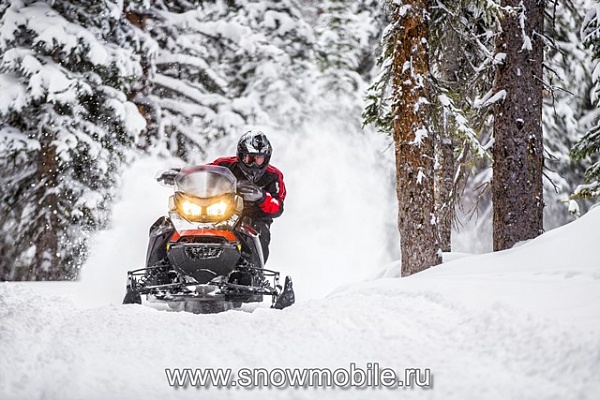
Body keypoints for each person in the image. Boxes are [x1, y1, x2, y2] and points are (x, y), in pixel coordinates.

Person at [209, 130, 286, 265]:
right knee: (170, 222)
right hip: (220, 211)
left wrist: (262, 197)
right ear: (241, 156)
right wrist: (180, 174)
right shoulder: (225, 165)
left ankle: (254, 271)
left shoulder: (273, 176)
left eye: (259, 159)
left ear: (266, 158)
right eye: (250, 159)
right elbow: (203, 173)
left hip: (254, 218)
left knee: (259, 232)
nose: (254, 164)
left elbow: (277, 207)